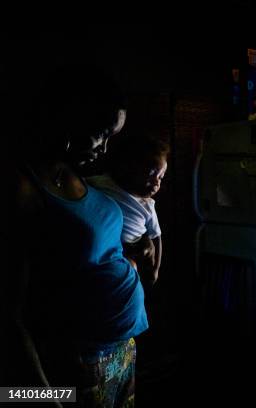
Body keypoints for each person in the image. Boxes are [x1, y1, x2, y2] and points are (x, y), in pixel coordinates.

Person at [6, 64, 148, 408]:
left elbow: (88, 246)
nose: (104, 147)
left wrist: (126, 259)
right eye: (102, 132)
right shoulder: (21, 187)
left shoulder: (76, 170)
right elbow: (10, 312)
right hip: (79, 359)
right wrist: (42, 396)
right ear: (70, 119)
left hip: (123, 343)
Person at [88, 134, 169, 287]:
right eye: (152, 174)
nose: (157, 182)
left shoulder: (148, 206)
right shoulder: (105, 183)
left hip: (134, 249)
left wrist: (156, 268)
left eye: (161, 177)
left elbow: (157, 237)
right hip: (107, 247)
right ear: (130, 168)